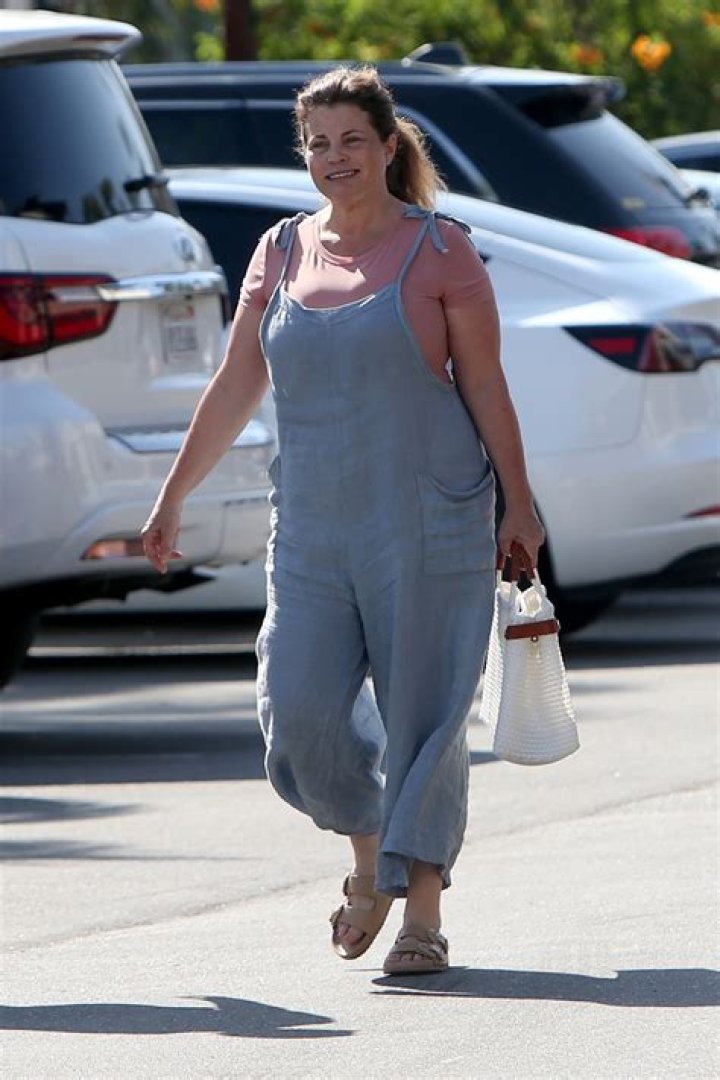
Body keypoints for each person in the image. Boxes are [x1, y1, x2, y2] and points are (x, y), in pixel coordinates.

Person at [141, 65, 544, 976]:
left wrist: (518, 503)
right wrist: (172, 495)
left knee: (425, 714)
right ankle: (372, 855)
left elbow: (486, 386)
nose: (334, 157)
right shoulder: (280, 251)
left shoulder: (441, 250)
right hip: (314, 527)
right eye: (318, 143)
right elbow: (236, 384)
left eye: (352, 139)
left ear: (388, 147)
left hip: (430, 515)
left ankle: (421, 916)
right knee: (298, 715)